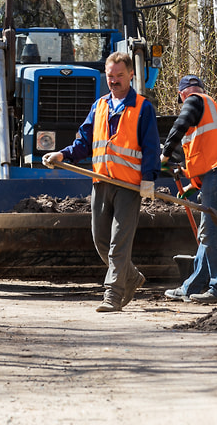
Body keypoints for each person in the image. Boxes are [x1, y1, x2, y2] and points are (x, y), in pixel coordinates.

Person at [42, 52, 160, 312]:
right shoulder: (100, 106)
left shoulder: (143, 108)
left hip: (129, 187)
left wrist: (149, 181)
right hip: (101, 183)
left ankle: (113, 295)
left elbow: (151, 148)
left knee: (119, 242)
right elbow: (83, 143)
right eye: (110, 76)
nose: (115, 81)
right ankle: (131, 277)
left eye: (119, 75)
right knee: (100, 240)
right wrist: (62, 154)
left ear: (131, 75)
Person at [160, 75, 217, 304]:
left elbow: (179, 125)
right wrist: (191, 186)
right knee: (207, 234)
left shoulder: (194, 100)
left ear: (182, 94)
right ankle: (191, 287)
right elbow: (209, 155)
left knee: (210, 234)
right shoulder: (213, 110)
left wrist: (164, 155)